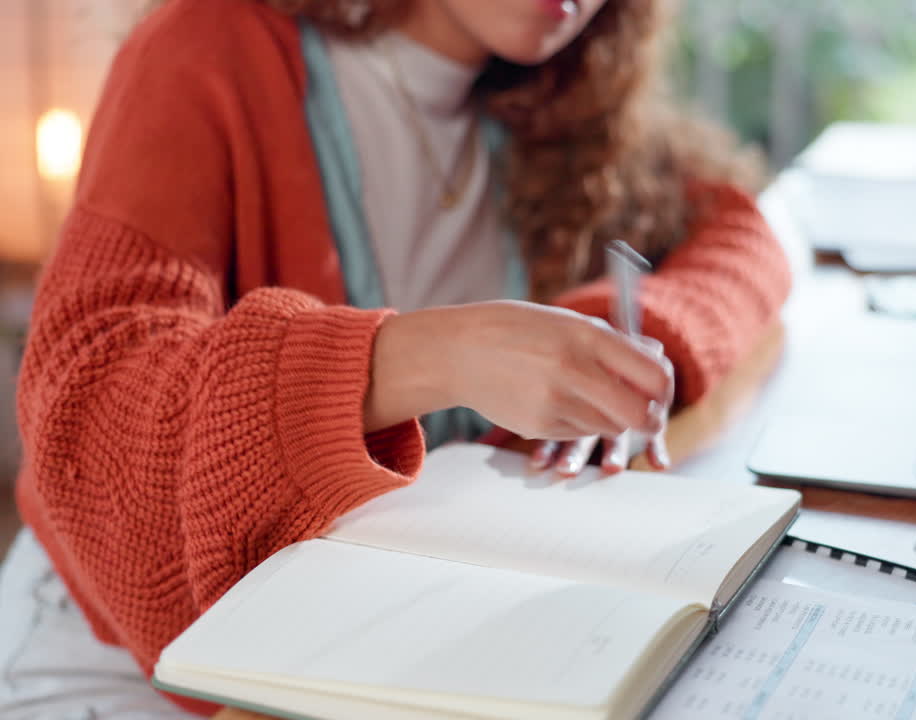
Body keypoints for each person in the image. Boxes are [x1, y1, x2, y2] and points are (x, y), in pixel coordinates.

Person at [0, 0, 791, 716]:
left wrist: (614, 338)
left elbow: (743, 236)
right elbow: (92, 408)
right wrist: (425, 359)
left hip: (361, 646)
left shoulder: (559, 94)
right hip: (124, 658)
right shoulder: (206, 46)